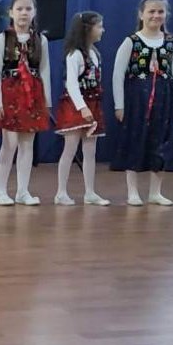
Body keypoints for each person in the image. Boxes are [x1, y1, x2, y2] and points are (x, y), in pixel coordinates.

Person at [110, 0, 173, 206]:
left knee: (161, 142)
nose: (156, 15)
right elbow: (118, 74)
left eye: (160, 11)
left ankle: (155, 192)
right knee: (135, 141)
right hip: (137, 101)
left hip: (164, 100)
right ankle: (133, 191)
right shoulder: (131, 42)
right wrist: (119, 105)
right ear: (141, 14)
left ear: (166, 15)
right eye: (151, 11)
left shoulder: (171, 42)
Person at [0, 0, 52, 206]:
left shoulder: (40, 40)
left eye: (28, 9)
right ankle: (0, 190)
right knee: (9, 144)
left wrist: (46, 101)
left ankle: (23, 191)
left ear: (34, 12)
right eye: (19, 9)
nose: (24, 13)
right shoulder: (3, 38)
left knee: (28, 144)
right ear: (11, 12)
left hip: (32, 95)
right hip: (10, 93)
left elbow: (44, 70)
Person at [54, 11, 110, 206]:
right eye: (99, 26)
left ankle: (90, 192)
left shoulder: (95, 53)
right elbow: (71, 84)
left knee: (90, 150)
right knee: (70, 149)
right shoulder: (75, 55)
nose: (102, 30)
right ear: (87, 29)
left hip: (93, 103)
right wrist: (82, 107)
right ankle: (61, 192)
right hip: (76, 106)